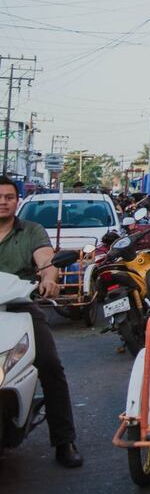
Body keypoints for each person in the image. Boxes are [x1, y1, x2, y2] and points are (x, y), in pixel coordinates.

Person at [0, 176, 82, 467]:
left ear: (16, 200)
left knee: (49, 364)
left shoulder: (31, 230)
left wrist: (49, 280)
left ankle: (64, 441)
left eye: (9, 196)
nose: (3, 201)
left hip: (21, 306)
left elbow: (46, 262)